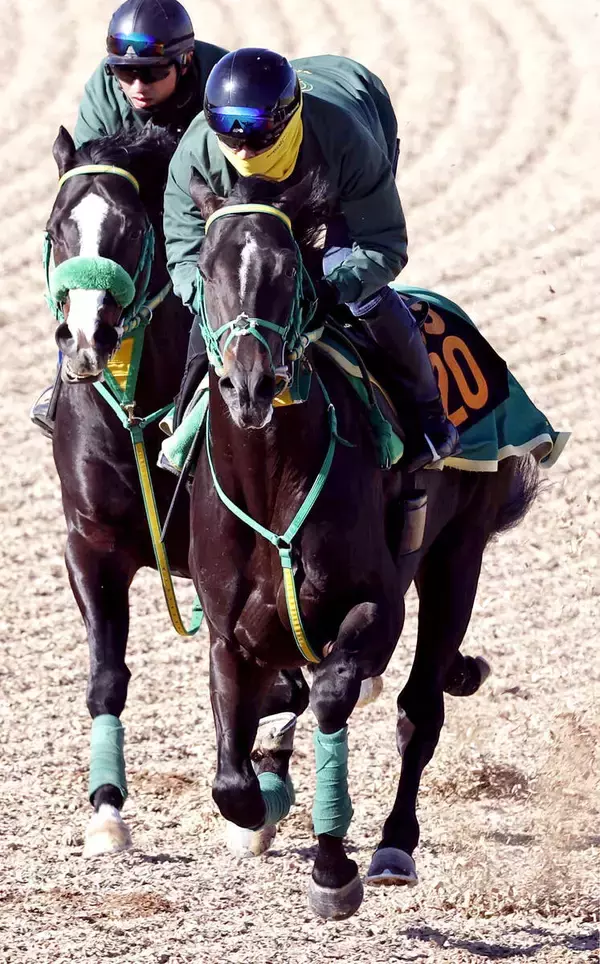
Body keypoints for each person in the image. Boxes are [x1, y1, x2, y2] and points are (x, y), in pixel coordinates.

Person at [164, 48, 460, 471]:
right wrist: (212, 300)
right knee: (222, 295)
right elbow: (183, 254)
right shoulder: (195, 155)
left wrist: (328, 290)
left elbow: (384, 243)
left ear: (288, 117)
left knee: (359, 292)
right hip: (246, 208)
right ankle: (185, 423)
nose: (244, 151)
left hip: (335, 178)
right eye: (230, 135)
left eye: (259, 134)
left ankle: (429, 419)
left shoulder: (346, 139)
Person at [31, 0, 228, 437]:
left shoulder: (221, 85)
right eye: (125, 72)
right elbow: (87, 188)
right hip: (134, 204)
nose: (137, 85)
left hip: (207, 201)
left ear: (185, 60)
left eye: (154, 73)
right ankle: (66, 374)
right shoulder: (103, 90)